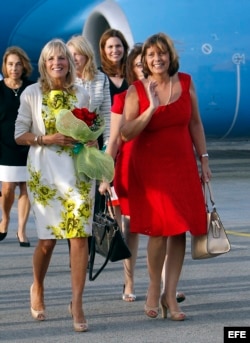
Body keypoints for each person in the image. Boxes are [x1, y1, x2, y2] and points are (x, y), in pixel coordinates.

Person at [121, 32, 212, 320]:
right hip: (150, 170)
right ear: (144, 61)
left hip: (182, 165)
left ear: (170, 56)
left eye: (161, 53)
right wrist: (151, 108)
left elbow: (195, 123)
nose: (157, 59)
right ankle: (152, 287)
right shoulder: (136, 90)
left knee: (179, 230)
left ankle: (170, 296)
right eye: (151, 55)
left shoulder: (185, 82)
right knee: (159, 231)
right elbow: (126, 132)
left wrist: (204, 160)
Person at [15, 38, 96, 332]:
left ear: (70, 62)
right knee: (47, 242)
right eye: (52, 59)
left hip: (78, 173)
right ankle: (37, 285)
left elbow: (91, 134)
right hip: (46, 174)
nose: (57, 63)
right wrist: (46, 138)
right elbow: (19, 134)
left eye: (62, 58)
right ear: (44, 64)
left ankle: (77, 303)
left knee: (79, 238)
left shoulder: (82, 94)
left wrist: (92, 144)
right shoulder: (32, 93)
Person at [99, 43, 186, 304]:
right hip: (128, 168)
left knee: (166, 225)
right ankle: (129, 282)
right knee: (131, 231)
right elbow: (114, 140)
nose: (142, 68)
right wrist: (105, 174)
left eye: (143, 64)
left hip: (158, 168)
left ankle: (163, 286)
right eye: (137, 65)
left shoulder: (169, 93)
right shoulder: (123, 98)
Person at [0, 46, 33, 246]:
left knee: (26, 187)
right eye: (10, 64)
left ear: (24, 66)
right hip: (4, 146)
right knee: (8, 188)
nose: (14, 68)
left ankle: (21, 230)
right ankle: (5, 219)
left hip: (27, 143)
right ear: (5, 66)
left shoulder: (31, 88)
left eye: (18, 64)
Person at [99, 28, 129, 226]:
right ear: (103, 50)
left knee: (128, 201)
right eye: (110, 46)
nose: (114, 50)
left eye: (118, 46)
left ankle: (128, 247)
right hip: (106, 143)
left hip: (129, 141)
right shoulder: (99, 77)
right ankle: (116, 243)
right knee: (112, 202)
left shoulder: (133, 77)